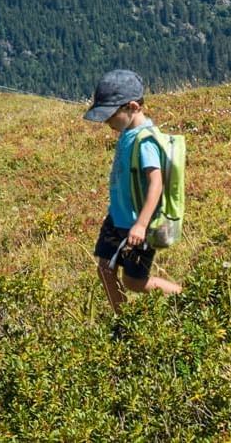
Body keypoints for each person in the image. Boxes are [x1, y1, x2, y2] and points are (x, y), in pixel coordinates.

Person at [83, 69, 183, 311]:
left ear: (132, 107)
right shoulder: (127, 132)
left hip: (136, 226)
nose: (107, 122)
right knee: (105, 269)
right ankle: (122, 319)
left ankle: (185, 297)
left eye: (110, 115)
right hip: (117, 218)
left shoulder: (145, 141)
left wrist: (141, 224)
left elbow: (156, 184)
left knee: (134, 281)